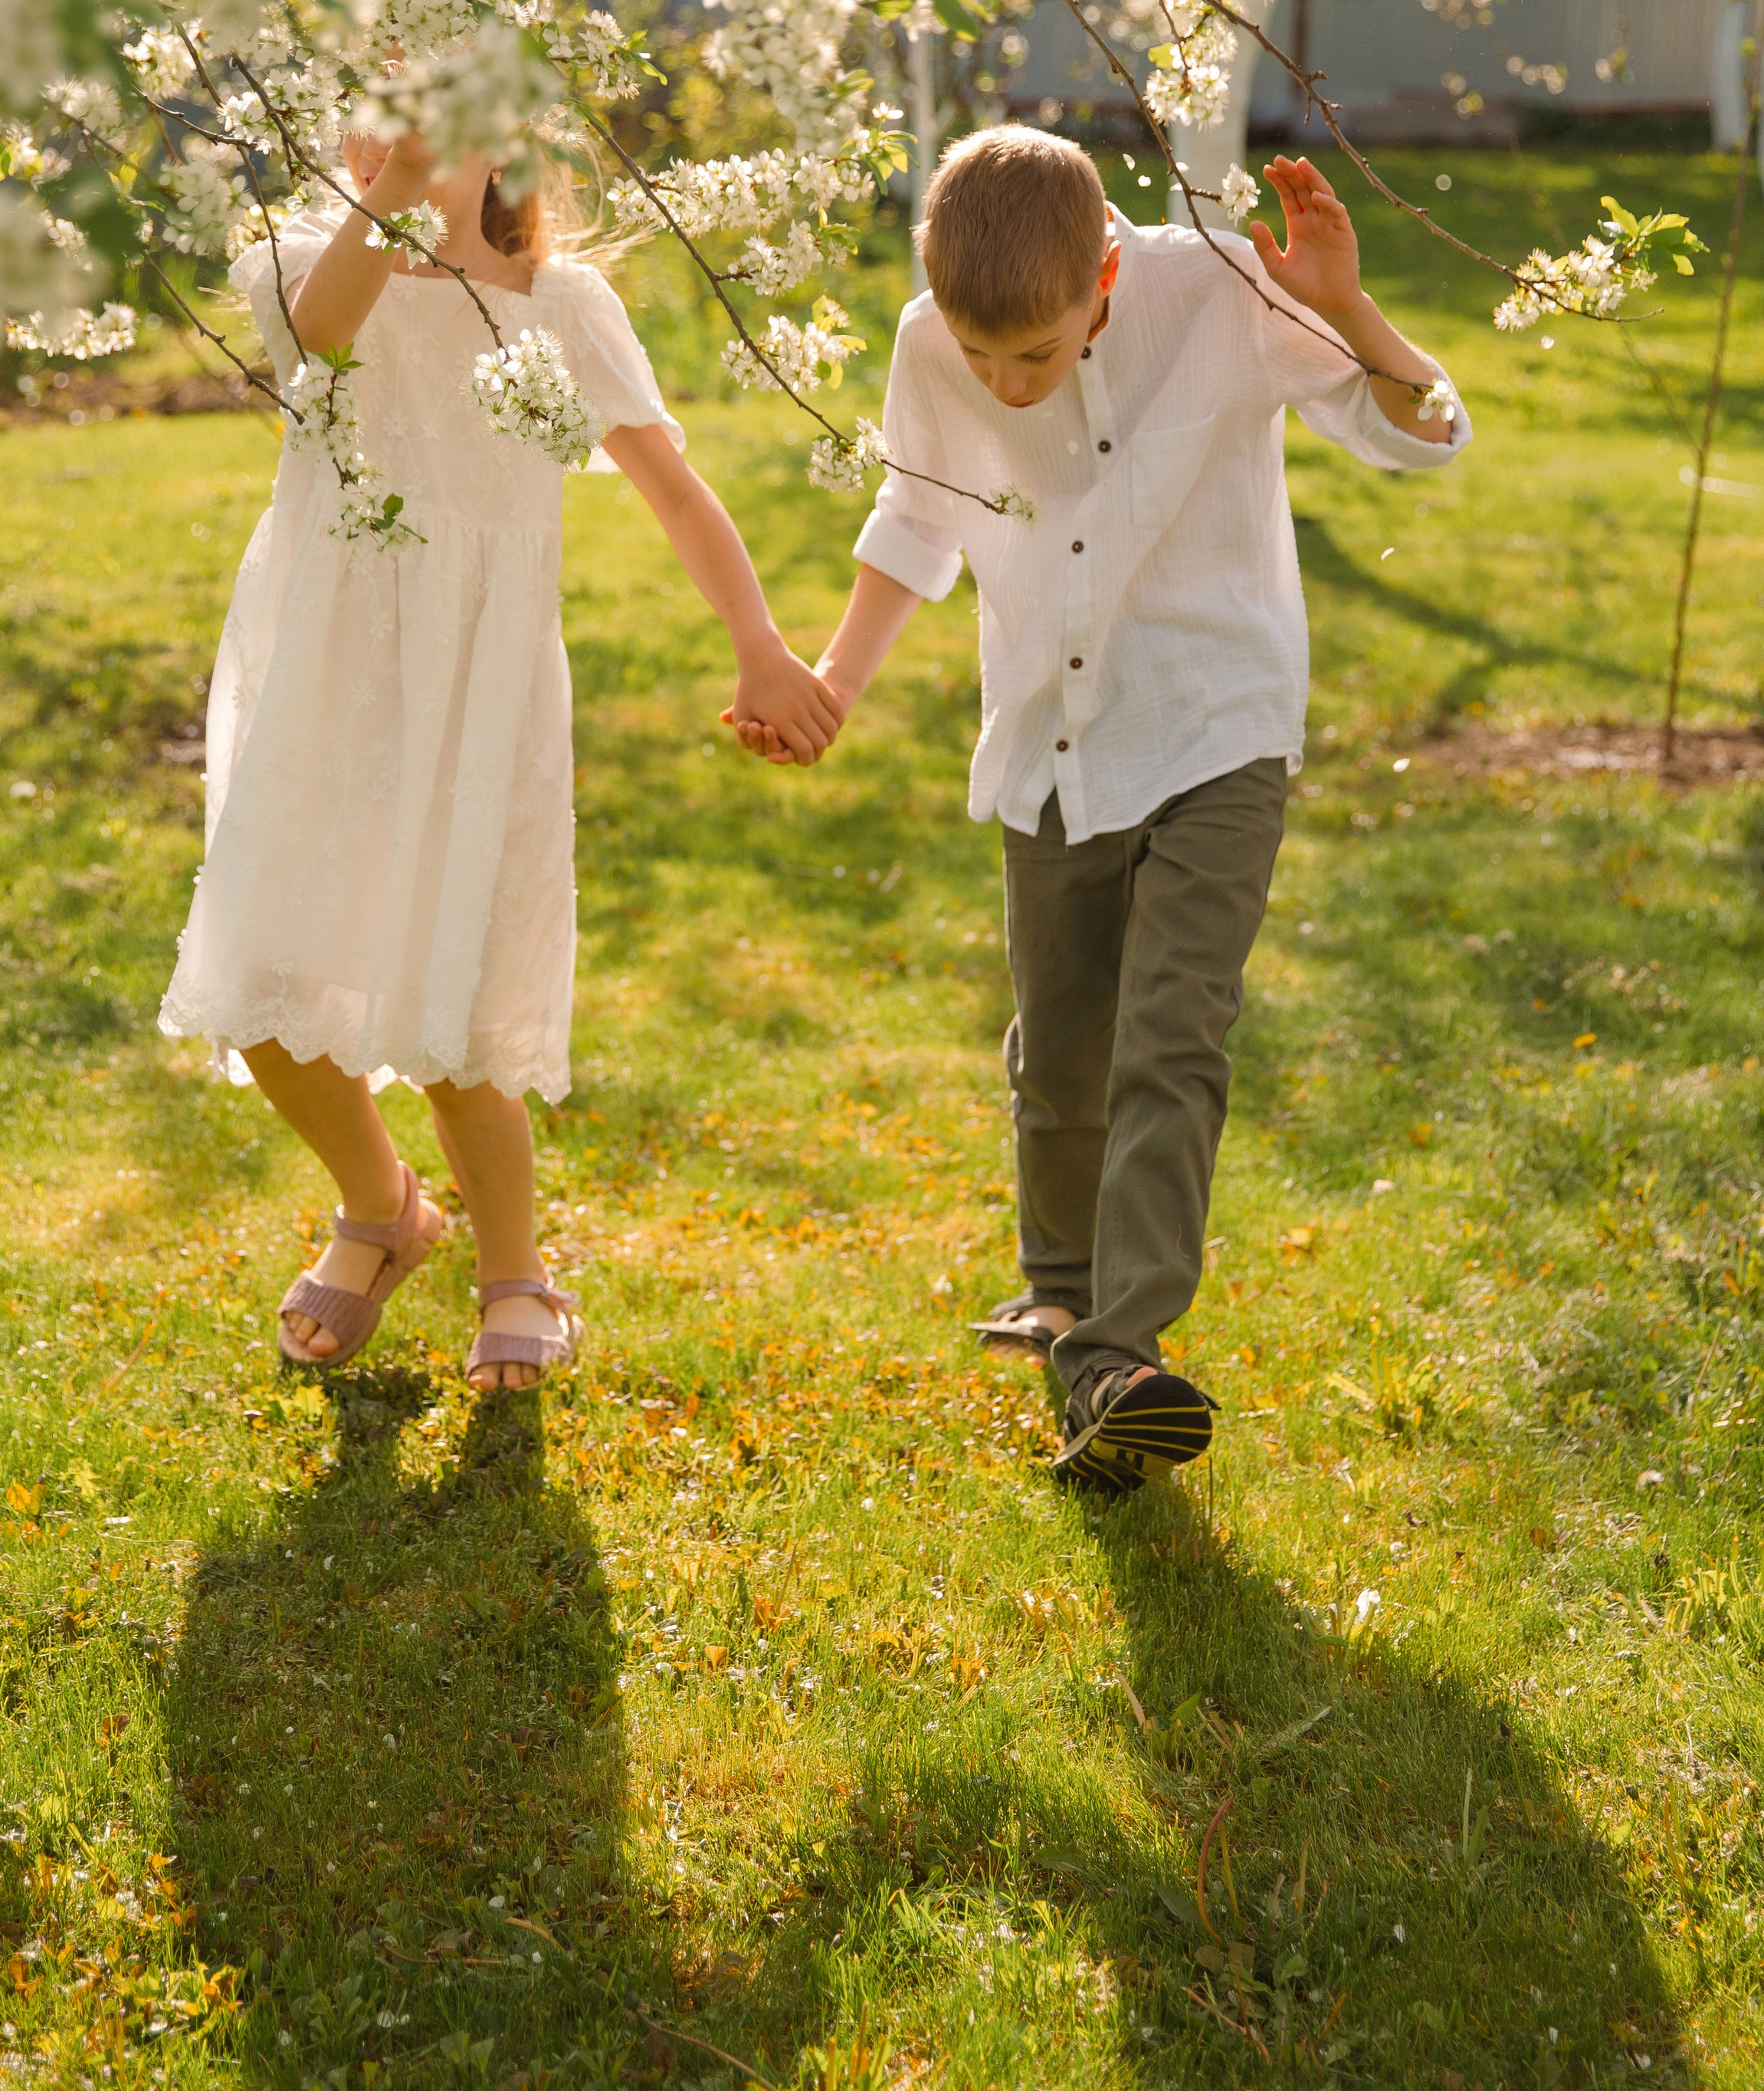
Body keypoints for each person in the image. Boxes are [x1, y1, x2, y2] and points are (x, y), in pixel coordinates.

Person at [737, 128, 1469, 1495]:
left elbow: (1419, 433)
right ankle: (1062, 1293)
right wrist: (832, 677)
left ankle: (1120, 1357)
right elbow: (918, 511)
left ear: (1108, 280)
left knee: (1172, 1032)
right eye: (983, 359)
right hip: (1052, 735)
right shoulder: (927, 342)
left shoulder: (1215, 293)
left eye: (1040, 353)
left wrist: (1342, 304)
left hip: (1217, 719)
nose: (1006, 385)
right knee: (1060, 1046)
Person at [162, 123, 837, 1388]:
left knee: (460, 1010)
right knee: (263, 984)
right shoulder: (305, 258)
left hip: (479, 696)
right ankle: (381, 1209)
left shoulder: (562, 308)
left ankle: (513, 1273)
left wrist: (759, 643)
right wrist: (403, 193)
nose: (391, 132)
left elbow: (677, 491)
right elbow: (321, 337)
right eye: (369, 102)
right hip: (331, 679)